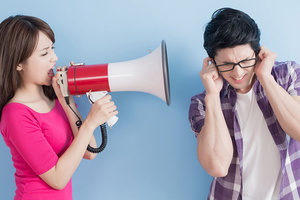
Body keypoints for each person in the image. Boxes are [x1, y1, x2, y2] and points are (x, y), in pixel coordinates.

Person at [0, 15, 118, 199]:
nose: (54, 58)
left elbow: (89, 151)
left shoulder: (55, 99)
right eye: (44, 53)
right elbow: (58, 179)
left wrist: (66, 100)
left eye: (52, 49)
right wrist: (90, 122)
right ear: (18, 64)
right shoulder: (15, 114)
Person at [188, 7, 300, 200]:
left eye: (245, 61)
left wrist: (265, 77)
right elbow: (217, 167)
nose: (238, 73)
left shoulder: (287, 74)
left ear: (257, 53)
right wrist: (213, 95)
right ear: (212, 63)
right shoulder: (202, 103)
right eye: (226, 65)